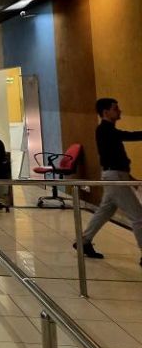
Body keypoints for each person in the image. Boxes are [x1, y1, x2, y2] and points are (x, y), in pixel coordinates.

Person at [75, 98, 142, 263]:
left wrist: (128, 177)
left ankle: (84, 241)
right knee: (138, 216)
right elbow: (127, 136)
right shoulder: (104, 130)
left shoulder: (108, 130)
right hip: (114, 177)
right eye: (115, 108)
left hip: (115, 175)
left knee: (105, 211)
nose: (119, 111)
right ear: (106, 112)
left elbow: (115, 158)